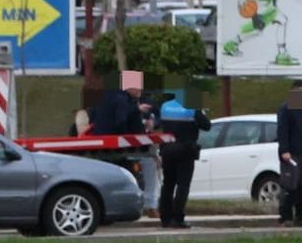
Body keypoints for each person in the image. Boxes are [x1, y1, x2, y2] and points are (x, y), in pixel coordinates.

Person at [89, 74, 159, 221]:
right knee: (149, 163)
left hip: (106, 143)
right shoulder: (122, 101)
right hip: (116, 146)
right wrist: (137, 113)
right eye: (137, 86)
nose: (140, 89)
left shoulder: (112, 97)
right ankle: (150, 205)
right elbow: (121, 122)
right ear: (128, 86)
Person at [156, 95, 211, 229]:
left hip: (167, 149)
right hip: (185, 151)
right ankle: (177, 218)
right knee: (183, 185)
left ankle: (165, 218)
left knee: (167, 184)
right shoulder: (192, 109)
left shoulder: (165, 106)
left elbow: (159, 124)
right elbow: (207, 126)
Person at [276, 82, 302, 226]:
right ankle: (286, 216)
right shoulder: (286, 108)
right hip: (292, 154)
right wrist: (284, 150)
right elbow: (282, 130)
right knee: (290, 186)